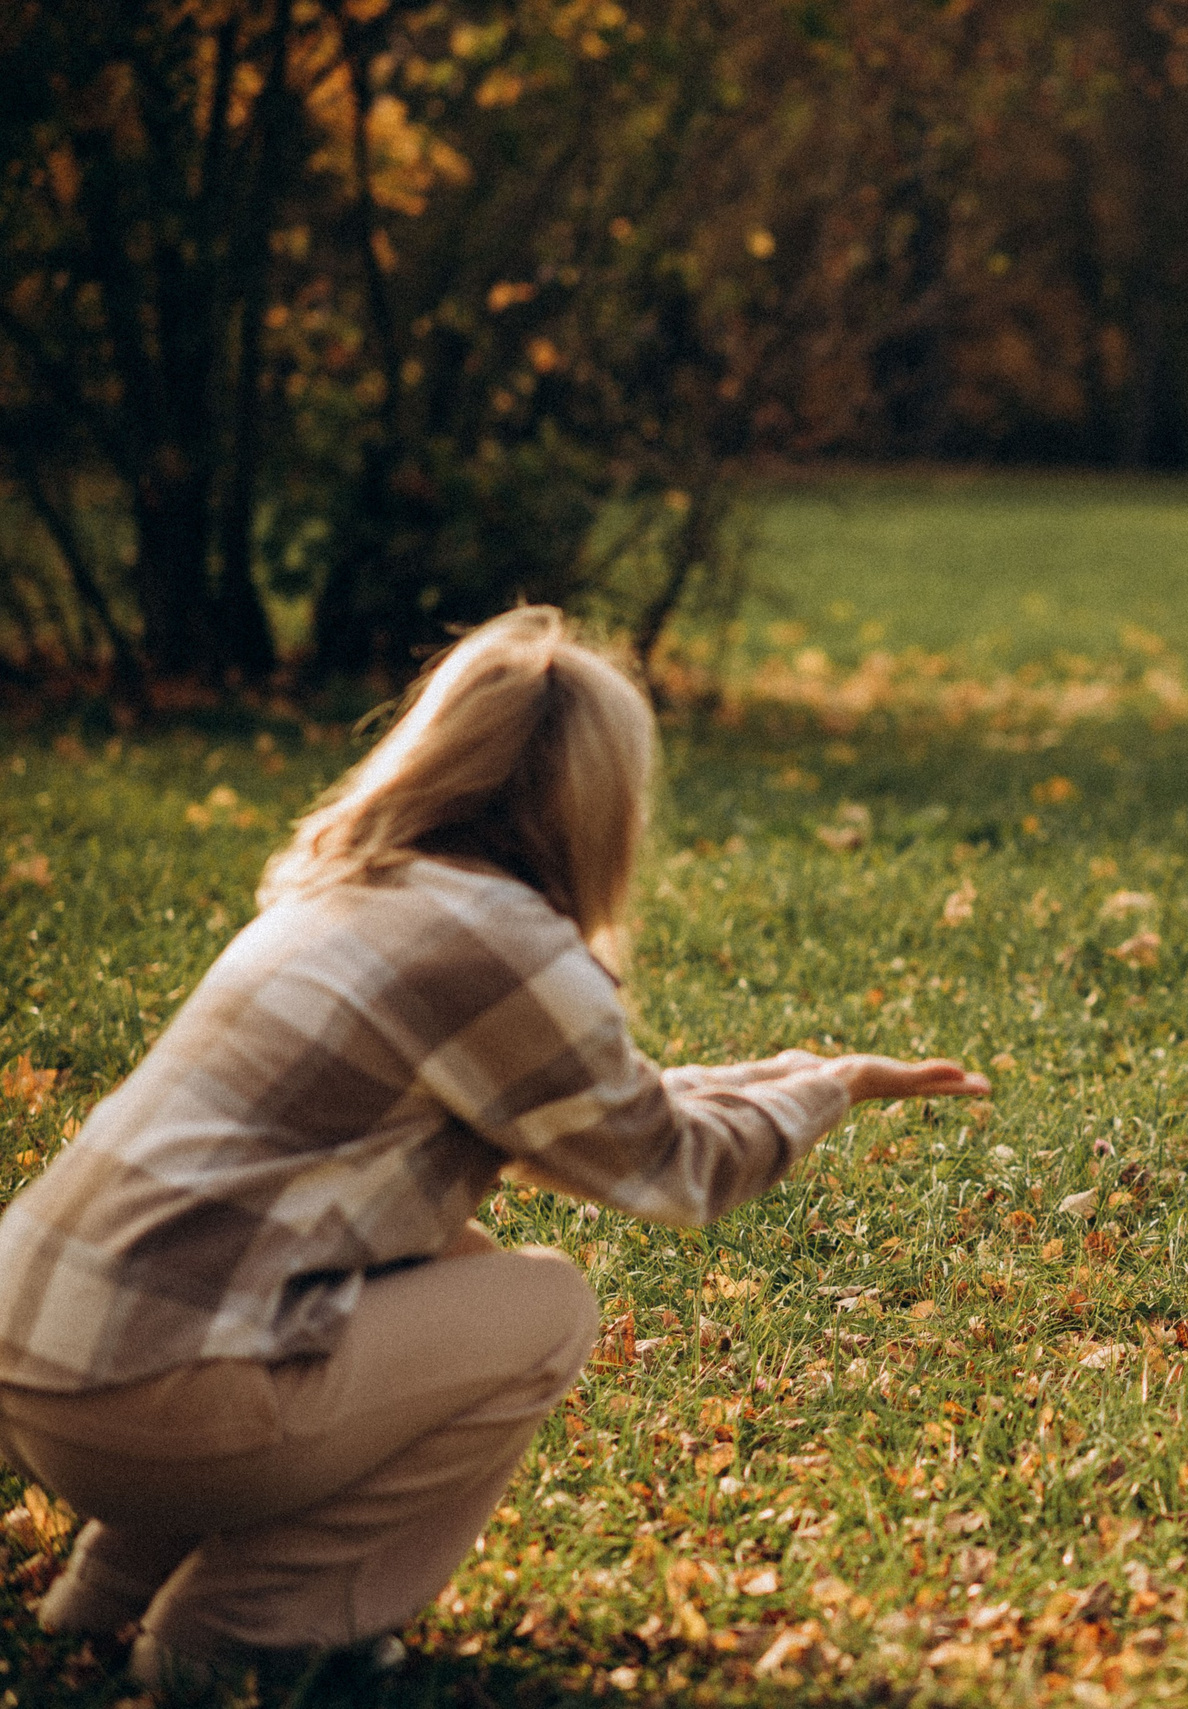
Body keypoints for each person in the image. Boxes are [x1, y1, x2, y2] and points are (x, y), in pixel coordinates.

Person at [0, 607, 986, 1689]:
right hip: (159, 1404)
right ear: (600, 798)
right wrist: (826, 1089)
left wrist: (784, 1073)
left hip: (43, 1364)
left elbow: (592, 1110)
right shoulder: (504, 945)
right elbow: (672, 1169)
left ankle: (103, 1592)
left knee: (438, 1254)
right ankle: (236, 1631)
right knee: (541, 1308)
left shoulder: (350, 891)